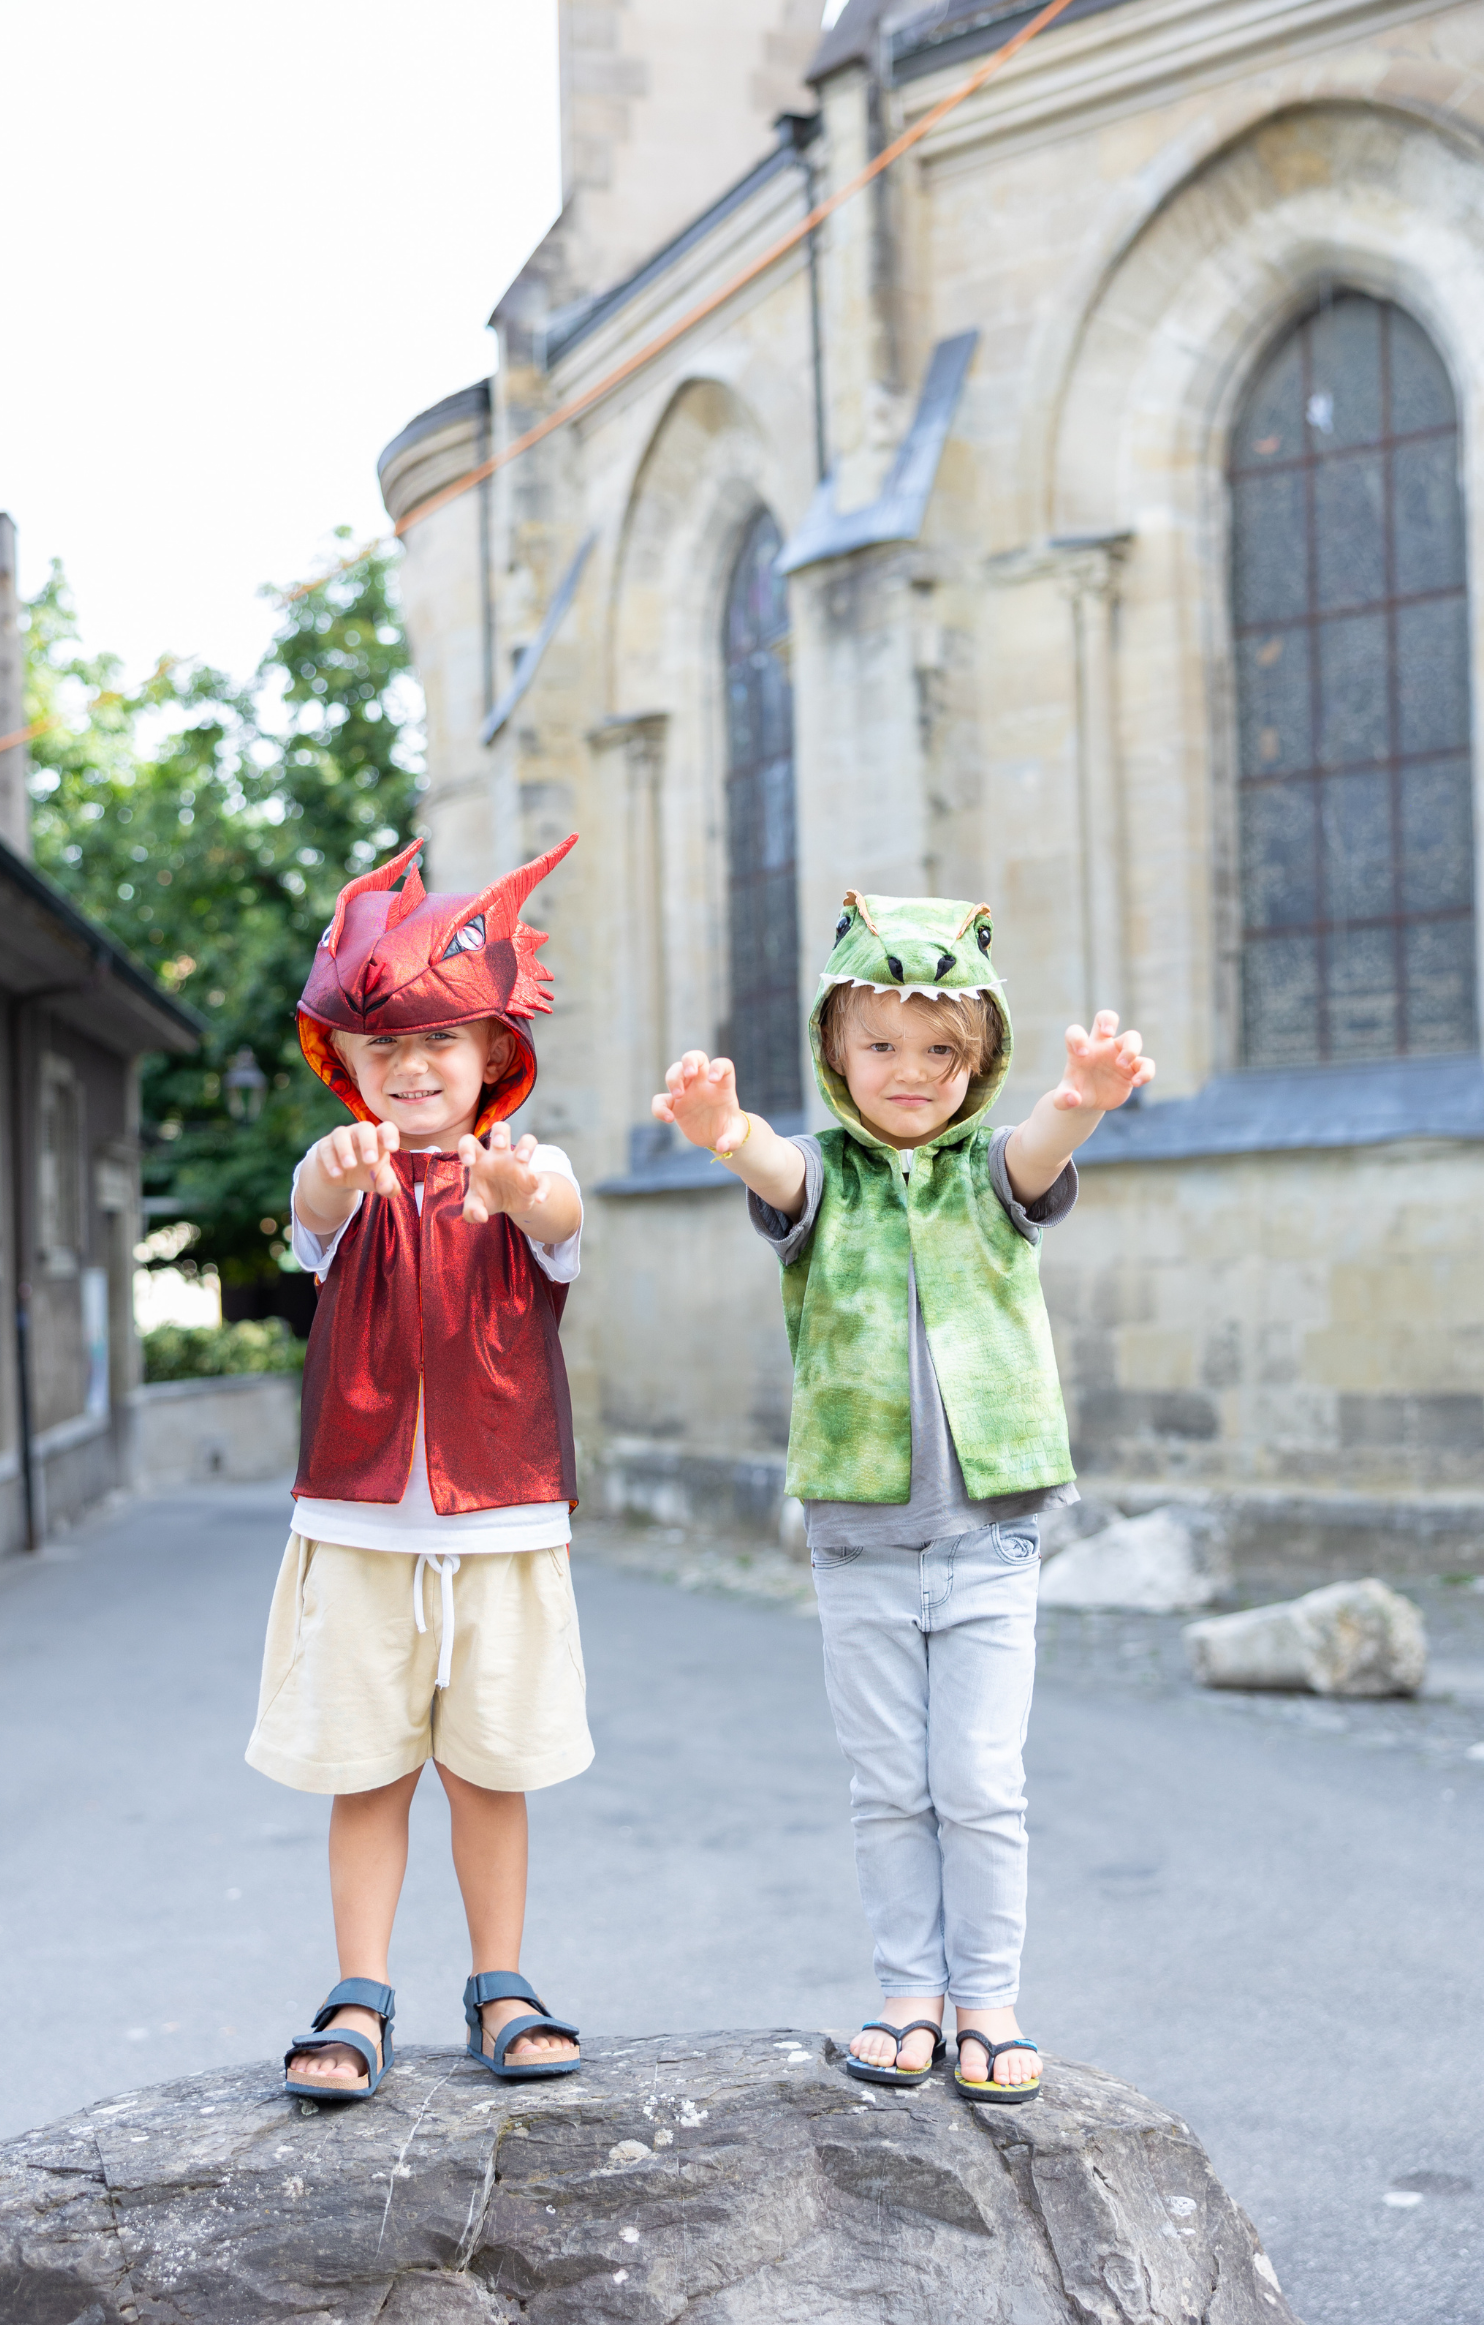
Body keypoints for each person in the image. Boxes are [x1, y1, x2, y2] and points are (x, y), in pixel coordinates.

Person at [652, 889, 1153, 2102]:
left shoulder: (993, 1172)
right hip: (861, 1541)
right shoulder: (821, 1181)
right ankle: (906, 1997)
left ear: (980, 1063)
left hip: (990, 1539)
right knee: (889, 1787)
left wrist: (1077, 1101)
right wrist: (725, 1129)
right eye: (880, 1044)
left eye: (942, 1050)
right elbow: (770, 1163)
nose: (910, 1071)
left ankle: (986, 1999)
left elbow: (1036, 1154)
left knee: (977, 1784)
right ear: (833, 1049)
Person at [246, 833, 590, 2097]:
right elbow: (313, 1217)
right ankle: (360, 1991)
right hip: (362, 1524)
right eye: (383, 1046)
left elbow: (557, 1224)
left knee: (488, 1768)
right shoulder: (344, 1172)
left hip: (498, 1520)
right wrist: (333, 1180)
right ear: (346, 1062)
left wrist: (519, 1190)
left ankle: (501, 1981)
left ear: (494, 1052)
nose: (413, 1065)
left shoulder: (528, 1171)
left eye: (442, 1040)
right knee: (367, 1766)